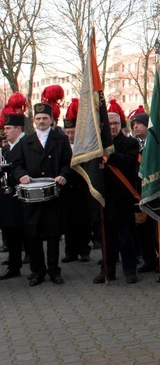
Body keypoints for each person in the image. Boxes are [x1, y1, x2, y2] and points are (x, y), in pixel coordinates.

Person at [11, 99, 72, 286]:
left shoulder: (60, 140)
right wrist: (21, 175)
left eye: (45, 118)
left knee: (53, 234)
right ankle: (38, 271)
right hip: (32, 197)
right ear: (33, 121)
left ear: (52, 120)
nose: (42, 121)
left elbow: (68, 163)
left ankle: (54, 270)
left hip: (53, 194)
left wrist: (63, 176)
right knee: (34, 234)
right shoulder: (26, 142)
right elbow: (16, 165)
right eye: (38, 118)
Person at [93, 111, 141, 284]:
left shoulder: (130, 142)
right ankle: (107, 270)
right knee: (106, 237)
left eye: (115, 123)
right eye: (109, 124)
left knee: (126, 236)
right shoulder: (96, 145)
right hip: (104, 197)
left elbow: (129, 161)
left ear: (120, 124)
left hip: (123, 197)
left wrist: (109, 156)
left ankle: (130, 270)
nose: (112, 127)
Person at [60, 99, 93, 264]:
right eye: (67, 133)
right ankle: (70, 251)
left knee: (83, 220)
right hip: (66, 188)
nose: (70, 136)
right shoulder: (61, 146)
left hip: (82, 187)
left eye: (72, 132)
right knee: (68, 221)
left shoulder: (84, 146)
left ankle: (84, 250)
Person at [0, 99, 27, 280]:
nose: (5, 132)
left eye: (8, 128)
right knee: (10, 231)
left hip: (23, 194)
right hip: (8, 195)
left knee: (27, 232)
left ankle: (33, 263)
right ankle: (14, 264)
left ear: (18, 128)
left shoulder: (26, 145)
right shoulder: (6, 148)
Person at [130, 111, 158, 274]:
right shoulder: (134, 145)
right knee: (143, 230)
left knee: (155, 230)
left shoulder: (155, 145)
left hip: (153, 190)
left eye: (139, 123)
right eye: (133, 124)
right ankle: (149, 260)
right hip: (138, 192)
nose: (135, 126)